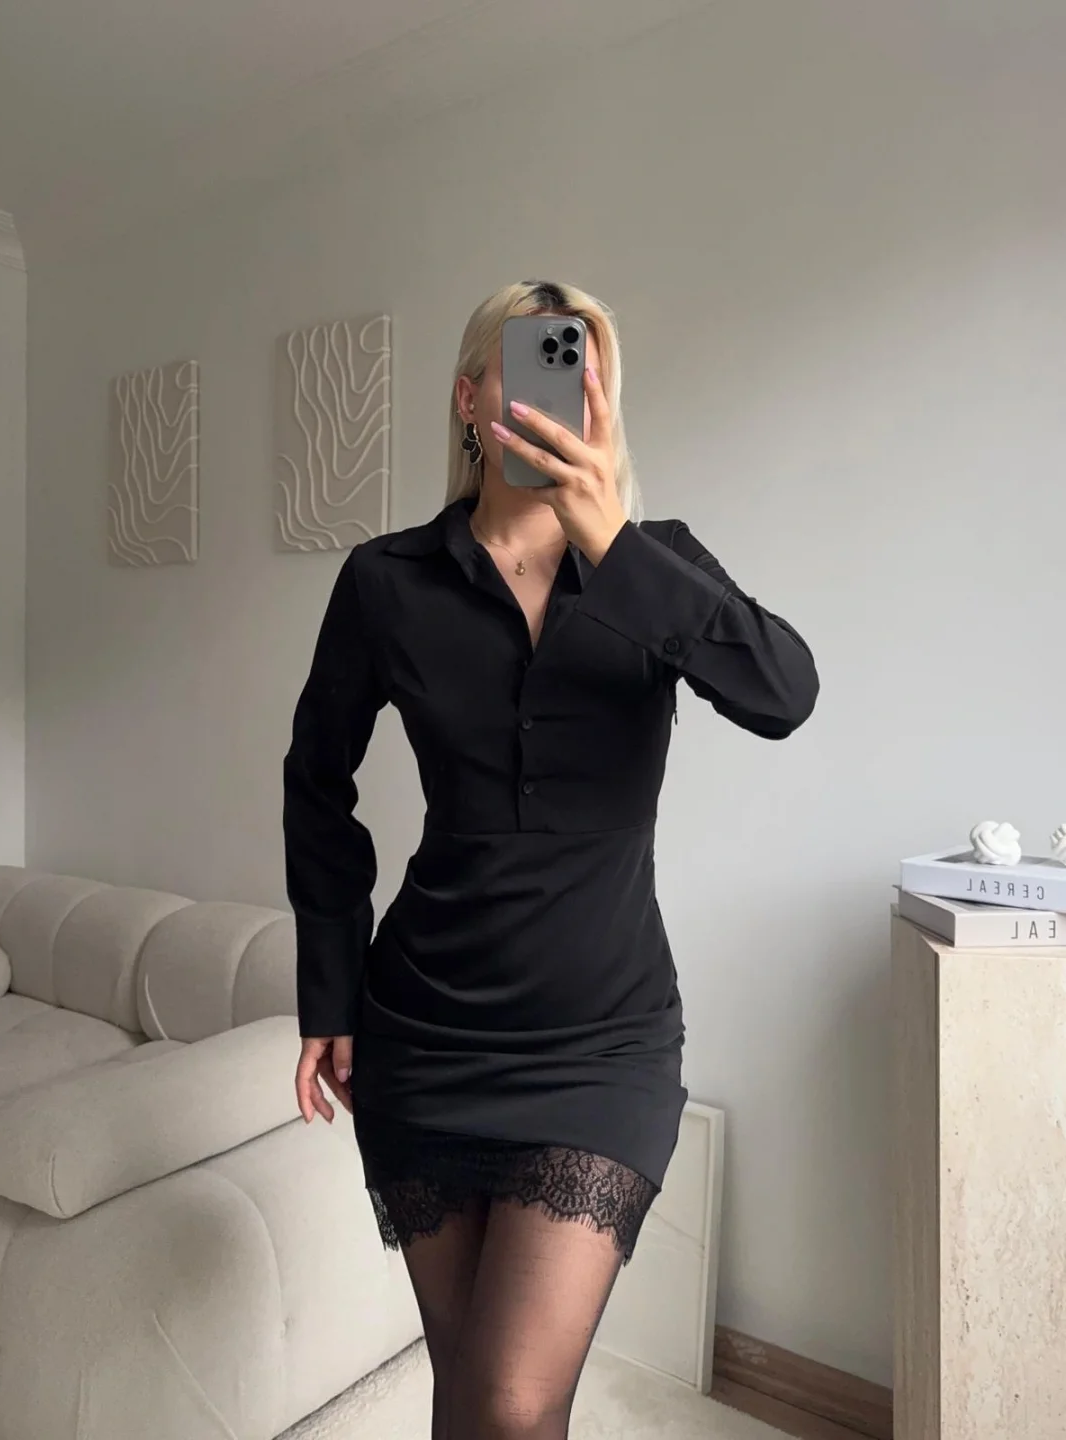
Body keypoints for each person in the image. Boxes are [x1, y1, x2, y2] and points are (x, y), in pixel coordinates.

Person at [283, 279, 819, 1440]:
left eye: (583, 376)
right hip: (423, 1033)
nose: (558, 398)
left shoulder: (659, 566)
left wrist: (610, 540)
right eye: (533, 368)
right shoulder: (385, 581)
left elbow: (785, 693)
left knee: (512, 1403)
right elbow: (315, 777)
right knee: (473, 1392)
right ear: (470, 399)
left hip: (602, 1042)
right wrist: (328, 988)